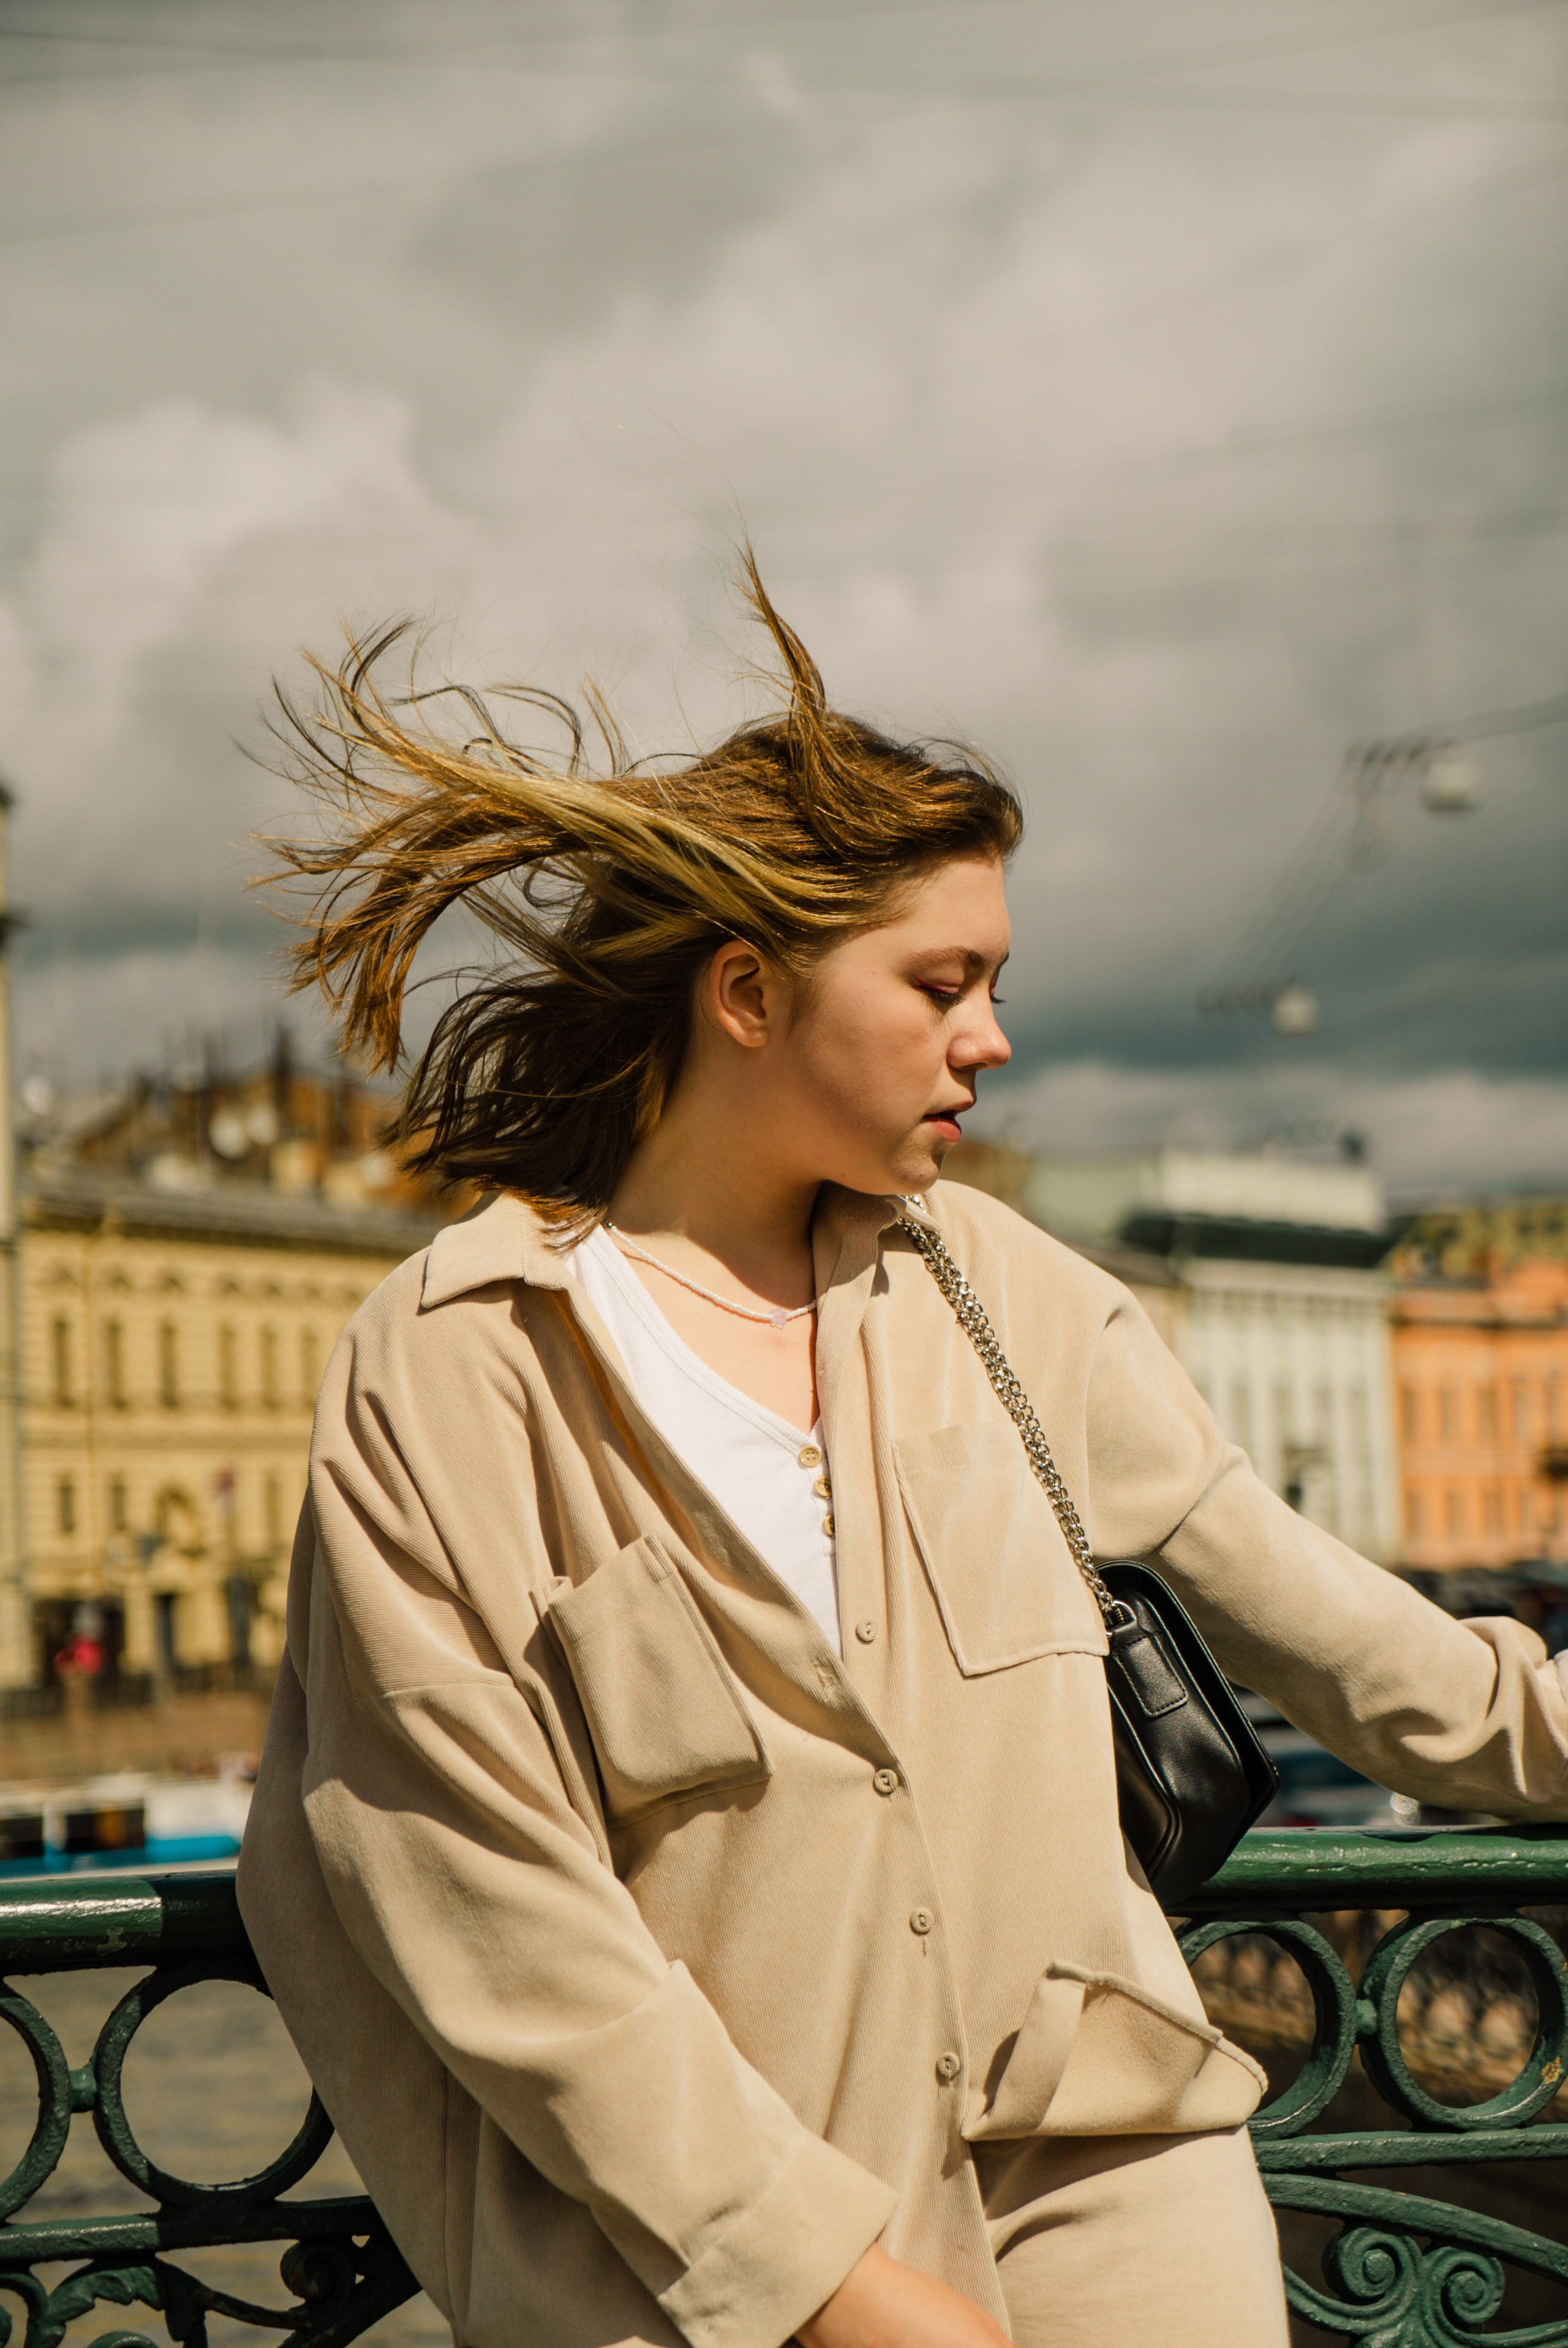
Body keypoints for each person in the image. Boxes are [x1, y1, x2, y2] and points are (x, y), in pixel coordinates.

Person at [239, 565, 1568, 2348]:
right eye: (943, 981)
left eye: (996, 983)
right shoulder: (458, 1363)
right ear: (745, 992)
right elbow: (478, 1900)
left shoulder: (1015, 1299)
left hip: (1115, 2203)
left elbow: (1377, 1660)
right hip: (700, 2276)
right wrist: (831, 2284)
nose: (993, 1038)